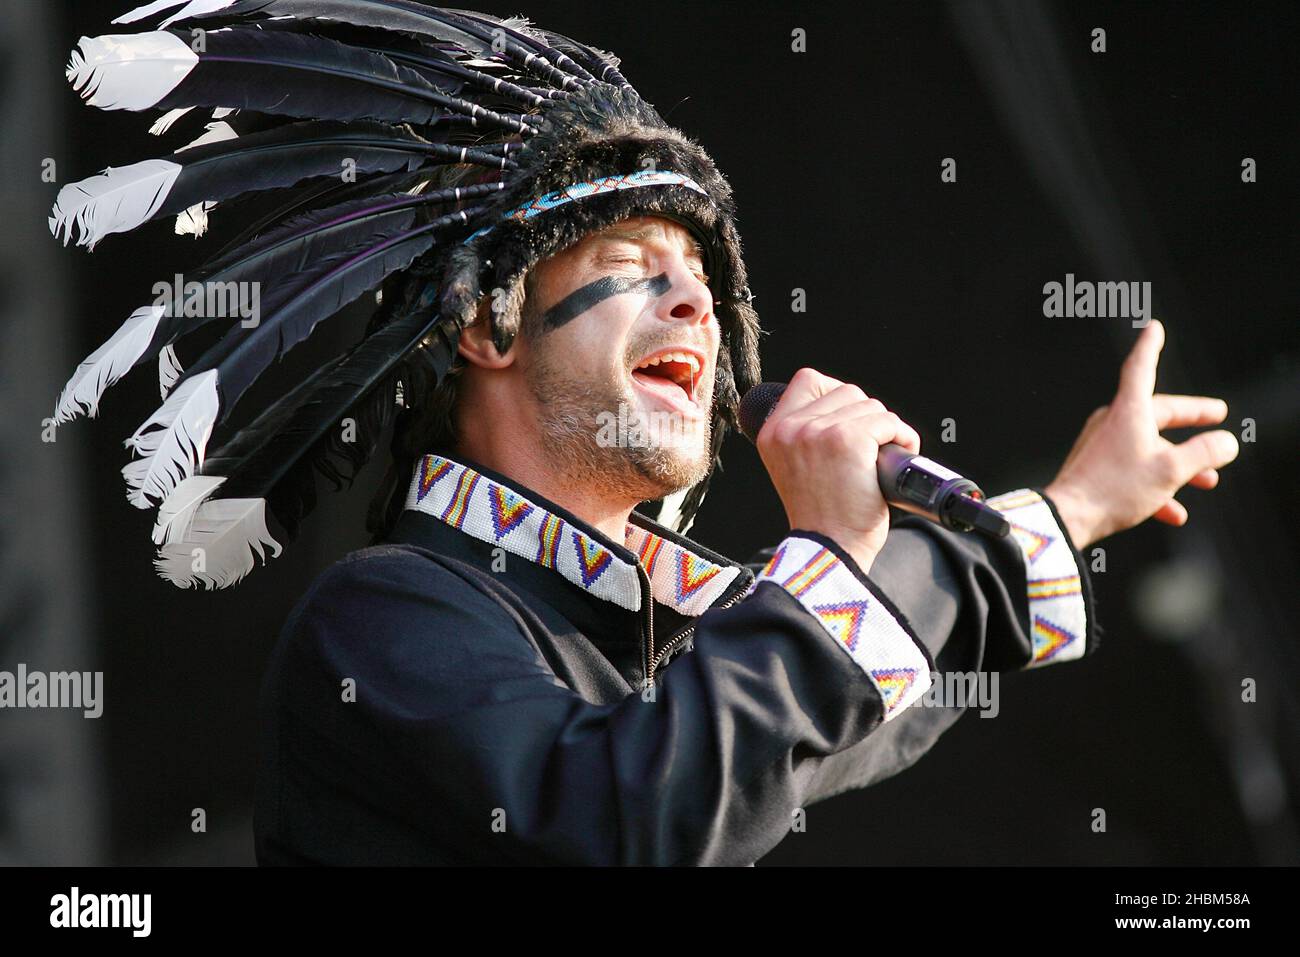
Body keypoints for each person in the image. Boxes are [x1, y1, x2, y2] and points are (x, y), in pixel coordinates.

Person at [46, 3, 1239, 865]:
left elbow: (864, 685)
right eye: (632, 269)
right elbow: (631, 817)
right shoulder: (387, 617)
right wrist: (820, 555)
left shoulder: (679, 640)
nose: (697, 310)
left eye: (706, 291)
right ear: (488, 325)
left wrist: (1076, 507)